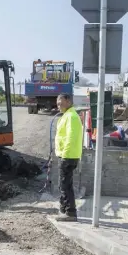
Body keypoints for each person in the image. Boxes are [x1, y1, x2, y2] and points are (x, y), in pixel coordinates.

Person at [55, 93, 83, 221]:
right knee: (64, 184)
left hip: (68, 156)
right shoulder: (68, 115)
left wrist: (65, 155)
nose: (58, 106)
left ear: (68, 101)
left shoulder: (71, 116)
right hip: (66, 155)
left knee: (65, 185)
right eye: (57, 104)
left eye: (60, 103)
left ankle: (70, 212)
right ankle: (64, 208)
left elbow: (71, 138)